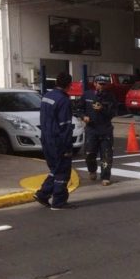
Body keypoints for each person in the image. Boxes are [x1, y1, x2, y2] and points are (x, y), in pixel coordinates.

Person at [34, 72, 77, 210]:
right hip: (58, 141)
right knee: (62, 171)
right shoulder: (63, 100)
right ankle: (58, 202)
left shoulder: (47, 96)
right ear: (69, 85)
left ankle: (43, 194)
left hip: (46, 138)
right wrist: (67, 147)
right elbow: (64, 125)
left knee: (55, 169)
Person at [77, 75, 117, 186]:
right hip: (91, 129)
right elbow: (79, 109)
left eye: (104, 84)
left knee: (106, 155)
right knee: (90, 153)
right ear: (95, 84)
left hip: (105, 130)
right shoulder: (87, 95)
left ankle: (105, 176)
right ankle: (92, 170)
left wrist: (102, 109)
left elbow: (113, 113)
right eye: (100, 84)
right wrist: (83, 117)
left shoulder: (110, 97)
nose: (102, 86)